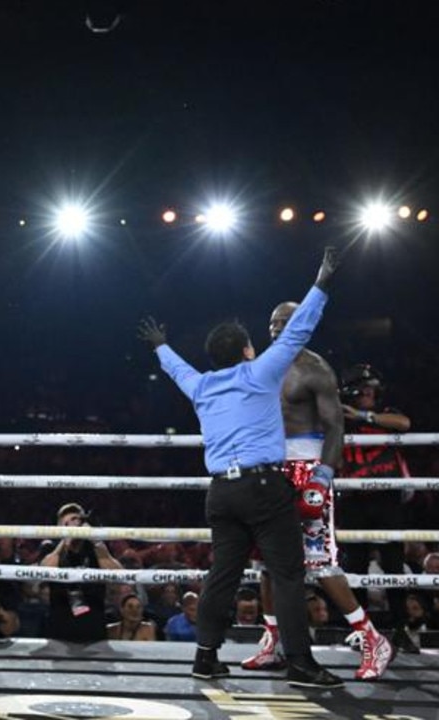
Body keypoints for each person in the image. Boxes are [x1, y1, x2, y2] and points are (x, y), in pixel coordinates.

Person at [138, 247, 344, 689]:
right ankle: (302, 665)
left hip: (221, 494)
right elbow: (299, 328)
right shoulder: (261, 372)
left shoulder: (202, 386)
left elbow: (178, 371)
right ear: (249, 349)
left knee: (222, 575)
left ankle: (205, 657)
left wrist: (160, 346)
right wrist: (323, 280)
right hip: (263, 488)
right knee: (287, 574)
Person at [239, 300, 393, 680]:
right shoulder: (263, 367)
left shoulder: (315, 368)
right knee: (265, 564)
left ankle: (371, 638)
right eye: (273, 321)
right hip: (268, 468)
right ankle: (273, 640)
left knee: (320, 562)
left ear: (304, 324)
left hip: (307, 467)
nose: (276, 328)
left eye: (286, 321)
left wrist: (322, 475)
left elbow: (336, 426)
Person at [338, 362, 413, 623]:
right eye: (363, 390)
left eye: (371, 390)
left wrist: (363, 417)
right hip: (351, 498)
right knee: (354, 565)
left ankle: (401, 627)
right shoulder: (337, 419)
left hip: (386, 497)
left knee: (393, 564)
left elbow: (405, 423)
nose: (369, 394)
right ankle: (360, 629)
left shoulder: (385, 415)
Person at [39, 503, 123, 643]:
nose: (72, 525)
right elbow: (43, 573)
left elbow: (119, 576)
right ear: (59, 527)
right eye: (66, 523)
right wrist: (65, 542)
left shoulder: (96, 547)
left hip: (94, 628)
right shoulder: (52, 548)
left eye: (75, 520)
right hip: (60, 629)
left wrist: (96, 539)